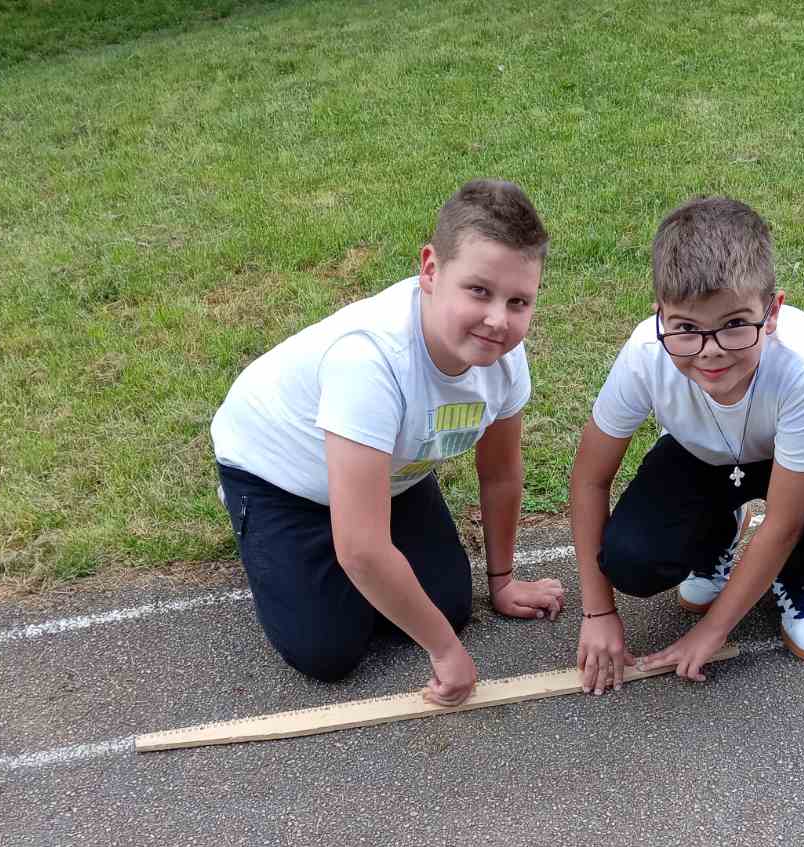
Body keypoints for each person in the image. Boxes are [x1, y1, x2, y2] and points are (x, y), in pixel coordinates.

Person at [210, 180, 565, 706]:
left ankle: (355, 530)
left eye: (519, 301)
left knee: (448, 604)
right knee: (328, 649)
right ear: (430, 270)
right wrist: (445, 651)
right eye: (478, 291)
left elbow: (500, 474)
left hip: (393, 470)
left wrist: (503, 580)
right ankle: (262, 528)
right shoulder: (369, 360)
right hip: (278, 476)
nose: (497, 319)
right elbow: (361, 548)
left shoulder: (504, 356)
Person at [569, 196, 804, 694]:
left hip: (795, 455)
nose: (710, 352)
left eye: (733, 325)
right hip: (700, 454)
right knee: (630, 561)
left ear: (773, 312)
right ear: (660, 317)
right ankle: (720, 532)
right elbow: (589, 478)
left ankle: (794, 575)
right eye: (686, 328)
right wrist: (598, 611)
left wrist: (712, 630)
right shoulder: (645, 354)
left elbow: (784, 520)